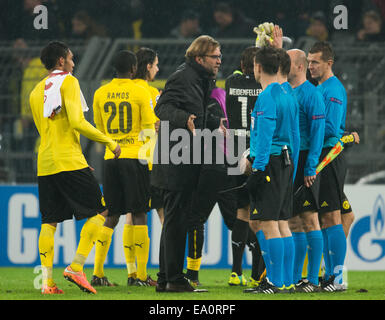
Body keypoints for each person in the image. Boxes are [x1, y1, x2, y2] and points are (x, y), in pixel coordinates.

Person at [29, 41, 121, 294]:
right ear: (61, 61)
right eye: (71, 58)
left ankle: (47, 283)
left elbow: (47, 130)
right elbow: (78, 123)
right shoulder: (69, 81)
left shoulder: (36, 91)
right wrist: (110, 142)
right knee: (100, 212)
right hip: (68, 159)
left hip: (45, 162)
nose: (73, 62)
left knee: (49, 222)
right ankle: (76, 267)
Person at [151, 35, 223, 293]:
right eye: (215, 56)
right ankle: (174, 279)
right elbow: (161, 108)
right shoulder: (183, 77)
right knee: (176, 219)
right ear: (199, 58)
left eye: (219, 56)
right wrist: (185, 118)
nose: (219, 61)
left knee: (175, 219)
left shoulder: (199, 79)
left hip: (182, 158)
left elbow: (198, 113)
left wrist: (213, 123)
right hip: (175, 160)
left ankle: (166, 278)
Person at [91, 50, 156, 287]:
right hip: (135, 157)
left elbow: (98, 127)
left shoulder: (100, 92)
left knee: (112, 214)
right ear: (133, 69)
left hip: (111, 158)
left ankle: (98, 273)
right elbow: (149, 128)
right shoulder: (140, 91)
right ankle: (139, 276)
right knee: (138, 213)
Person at [246, 46, 299, 294]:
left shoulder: (267, 97)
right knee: (282, 223)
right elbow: (295, 135)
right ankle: (286, 280)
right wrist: (294, 166)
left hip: (270, 163)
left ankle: (274, 282)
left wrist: (257, 169)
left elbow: (264, 138)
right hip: (286, 163)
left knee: (268, 224)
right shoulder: (287, 94)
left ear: (258, 67)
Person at [307, 41, 350, 291]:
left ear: (329, 63)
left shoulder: (332, 90)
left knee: (333, 216)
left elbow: (332, 129)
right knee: (325, 217)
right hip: (323, 156)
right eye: (310, 61)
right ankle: (329, 276)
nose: (311, 66)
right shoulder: (322, 87)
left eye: (315, 62)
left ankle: (338, 278)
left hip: (330, 157)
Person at [224, 46, 265, 288]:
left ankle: (235, 271)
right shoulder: (264, 87)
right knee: (260, 213)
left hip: (234, 150)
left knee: (241, 211)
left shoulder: (230, 81)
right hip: (256, 150)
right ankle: (256, 272)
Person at [122, 47, 162, 286]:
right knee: (163, 214)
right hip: (148, 160)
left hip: (121, 156)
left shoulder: (123, 89)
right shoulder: (150, 92)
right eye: (156, 64)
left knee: (129, 214)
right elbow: (157, 124)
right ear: (147, 66)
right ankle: (152, 273)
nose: (158, 69)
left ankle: (131, 272)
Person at [286, 48, 326, 292]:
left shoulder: (312, 94)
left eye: (287, 62)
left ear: (299, 67)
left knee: (310, 219)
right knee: (293, 222)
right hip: (290, 160)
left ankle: (312, 280)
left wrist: (311, 165)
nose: (283, 64)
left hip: (305, 160)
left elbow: (317, 132)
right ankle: (295, 278)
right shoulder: (288, 91)